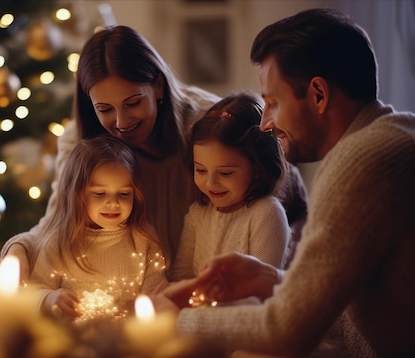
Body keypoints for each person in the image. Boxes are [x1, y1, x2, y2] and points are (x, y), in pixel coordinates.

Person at [153, 8, 415, 357]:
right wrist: (275, 283)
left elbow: (285, 332)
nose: (265, 124)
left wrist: (179, 320)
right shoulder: (397, 133)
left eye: (273, 103)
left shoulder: (360, 162)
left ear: (318, 94)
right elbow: (364, 318)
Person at [0, 25, 308, 279]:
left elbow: (280, 187)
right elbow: (59, 219)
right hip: (151, 293)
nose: (121, 122)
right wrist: (19, 249)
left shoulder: (207, 124)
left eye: (133, 103)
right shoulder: (82, 141)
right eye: (105, 109)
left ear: (158, 86)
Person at [27, 135, 166, 322]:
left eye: (124, 194)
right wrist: (50, 297)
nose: (113, 203)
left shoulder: (144, 239)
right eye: (100, 193)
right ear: (77, 194)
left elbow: (153, 298)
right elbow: (32, 291)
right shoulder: (60, 242)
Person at [169, 91, 290, 284]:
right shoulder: (198, 214)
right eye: (200, 170)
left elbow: (262, 291)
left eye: (225, 173)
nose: (210, 183)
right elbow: (181, 275)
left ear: (257, 168)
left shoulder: (267, 214)